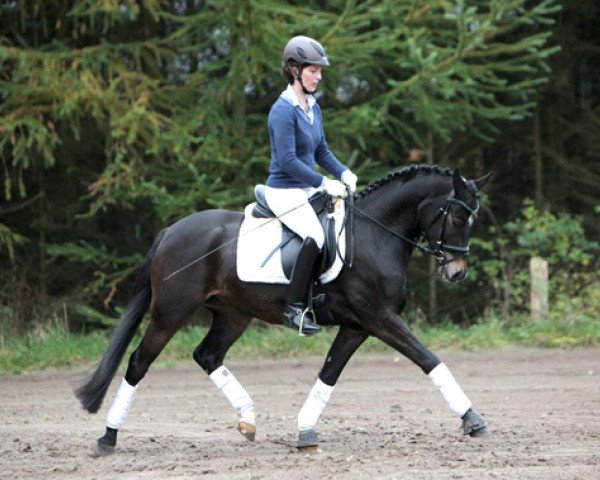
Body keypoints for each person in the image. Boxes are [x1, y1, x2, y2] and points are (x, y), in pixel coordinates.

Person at [264, 35, 358, 335]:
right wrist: (323, 182)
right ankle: (293, 309)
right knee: (315, 236)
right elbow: (289, 160)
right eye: (313, 70)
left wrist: (343, 172)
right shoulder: (282, 110)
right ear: (295, 70)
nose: (319, 76)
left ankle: (320, 295)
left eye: (320, 71)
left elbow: (321, 151)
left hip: (306, 189)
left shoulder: (312, 106)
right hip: (283, 190)